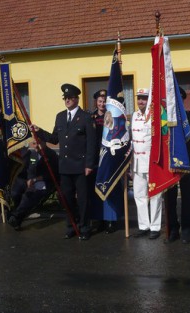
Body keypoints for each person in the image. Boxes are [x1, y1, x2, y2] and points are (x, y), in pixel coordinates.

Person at [35, 83, 96, 240]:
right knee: (66, 198)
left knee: (82, 199)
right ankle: (71, 226)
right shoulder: (60, 116)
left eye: (70, 98)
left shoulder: (86, 117)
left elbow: (91, 143)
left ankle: (84, 227)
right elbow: (55, 139)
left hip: (81, 166)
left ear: (77, 99)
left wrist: (89, 164)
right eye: (65, 98)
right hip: (65, 166)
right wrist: (39, 131)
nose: (67, 100)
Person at [166, 87, 190, 244]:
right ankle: (173, 229)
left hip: (187, 164)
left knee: (187, 197)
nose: (176, 101)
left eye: (178, 98)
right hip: (169, 166)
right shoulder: (164, 118)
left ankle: (187, 229)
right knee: (169, 198)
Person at [89, 89, 123, 233]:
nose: (102, 104)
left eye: (104, 101)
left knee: (111, 189)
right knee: (96, 189)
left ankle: (112, 220)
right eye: (100, 101)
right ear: (96, 102)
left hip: (109, 157)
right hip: (95, 158)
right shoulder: (90, 118)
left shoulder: (113, 117)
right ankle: (99, 219)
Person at [130, 88, 162, 240]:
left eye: (144, 98)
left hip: (152, 163)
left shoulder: (155, 116)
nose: (141, 101)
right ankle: (144, 225)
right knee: (139, 195)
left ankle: (155, 227)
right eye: (139, 98)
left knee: (155, 195)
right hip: (137, 163)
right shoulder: (134, 116)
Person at [8, 139, 59, 230]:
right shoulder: (31, 153)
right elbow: (26, 169)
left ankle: (16, 216)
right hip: (29, 180)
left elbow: (52, 174)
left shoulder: (51, 155)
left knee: (29, 196)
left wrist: (34, 180)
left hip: (44, 182)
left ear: (44, 142)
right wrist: (27, 180)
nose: (36, 146)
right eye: (34, 143)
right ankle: (18, 211)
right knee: (16, 191)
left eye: (38, 143)